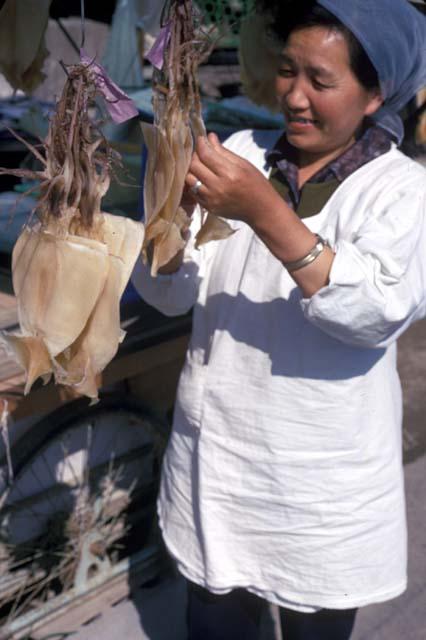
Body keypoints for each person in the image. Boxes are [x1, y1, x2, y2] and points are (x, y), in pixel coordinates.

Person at [132, 0, 426, 637]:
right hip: (215, 466)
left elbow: (373, 312)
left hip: (318, 488)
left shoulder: (401, 191)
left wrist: (264, 210)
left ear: (375, 95)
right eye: (288, 71)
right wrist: (170, 218)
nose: (294, 96)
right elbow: (171, 295)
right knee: (213, 624)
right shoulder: (240, 151)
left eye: (320, 81)